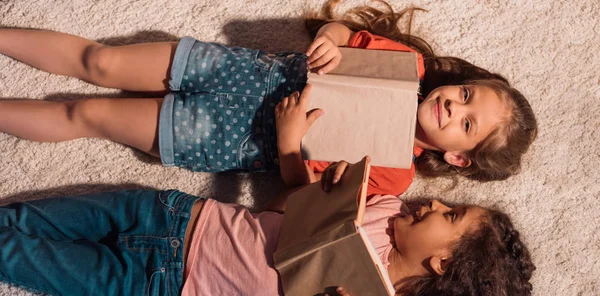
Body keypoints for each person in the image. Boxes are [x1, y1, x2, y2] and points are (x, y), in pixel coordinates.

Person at [0, 89, 535, 296]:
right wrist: (305, 172)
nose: (436, 203)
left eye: (451, 214)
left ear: (442, 264)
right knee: (18, 218)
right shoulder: (386, 208)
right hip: (172, 214)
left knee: (13, 253)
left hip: (159, 287)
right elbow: (284, 207)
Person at [0, 1, 537, 197]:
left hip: (221, 137)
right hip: (231, 69)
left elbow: (305, 202)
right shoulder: (407, 68)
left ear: (458, 157)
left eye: (467, 124)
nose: (453, 106)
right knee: (101, 61)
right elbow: (341, 34)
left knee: (86, 114)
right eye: (466, 95)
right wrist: (329, 41)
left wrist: (289, 145)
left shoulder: (394, 176)